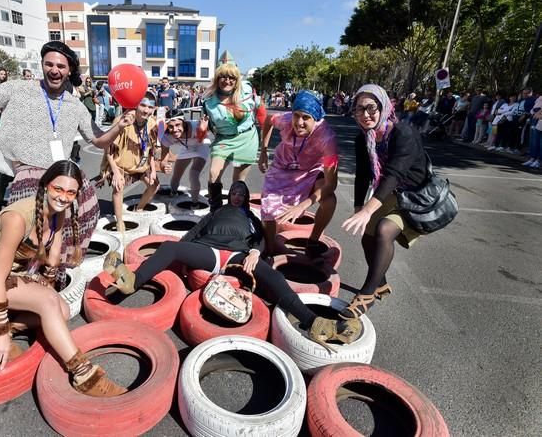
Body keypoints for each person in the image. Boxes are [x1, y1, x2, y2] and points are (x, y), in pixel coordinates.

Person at [0, 25, 132, 288]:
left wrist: (119, 126)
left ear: (69, 71)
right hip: (28, 172)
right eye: (49, 64)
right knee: (31, 231)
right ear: (42, 65)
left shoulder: (74, 104)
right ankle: (17, 283)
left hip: (62, 176)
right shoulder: (18, 89)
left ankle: (55, 272)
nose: (55, 70)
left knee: (86, 211)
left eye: (61, 66)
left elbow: (99, 140)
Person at [103, 181, 361, 345]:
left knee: (273, 277)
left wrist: (255, 253)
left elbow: (262, 241)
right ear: (230, 197)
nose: (237, 195)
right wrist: (183, 254)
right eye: (234, 192)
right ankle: (133, 282)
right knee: (170, 247)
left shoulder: (253, 218)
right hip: (208, 251)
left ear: (247, 198)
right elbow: (191, 235)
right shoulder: (216, 213)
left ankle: (314, 322)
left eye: (242, 193)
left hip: (240, 256)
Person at [0, 161, 126, 397]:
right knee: (48, 304)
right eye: (58, 189)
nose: (63, 197)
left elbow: (53, 258)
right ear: (45, 186)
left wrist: (45, 291)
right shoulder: (17, 218)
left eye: (70, 192)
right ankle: (83, 373)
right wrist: (0, 336)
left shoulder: (59, 213)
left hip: (13, 275)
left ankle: (9, 327)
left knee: (63, 311)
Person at [340, 84, 429, 320]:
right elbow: (363, 174)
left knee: (383, 229)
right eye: (358, 110)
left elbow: (394, 175)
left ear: (383, 106)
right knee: (367, 236)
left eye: (371, 108)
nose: (365, 115)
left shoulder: (404, 133)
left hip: (415, 196)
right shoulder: (364, 138)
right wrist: (359, 208)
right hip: (390, 192)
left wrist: (369, 210)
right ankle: (380, 281)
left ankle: (367, 295)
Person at [258, 90, 338, 258]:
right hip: (282, 167)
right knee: (268, 210)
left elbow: (331, 184)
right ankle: (270, 250)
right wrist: (263, 150)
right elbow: (267, 120)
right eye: (297, 115)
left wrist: (303, 205)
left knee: (329, 200)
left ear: (315, 118)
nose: (299, 122)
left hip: (310, 171)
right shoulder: (287, 120)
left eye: (306, 118)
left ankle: (313, 241)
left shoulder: (327, 139)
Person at [200, 53, 262, 211]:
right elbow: (205, 127)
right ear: (217, 78)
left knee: (238, 182)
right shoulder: (208, 100)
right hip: (224, 139)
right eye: (223, 77)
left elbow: (262, 112)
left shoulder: (247, 91)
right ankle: (216, 209)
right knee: (214, 174)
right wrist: (202, 130)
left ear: (236, 80)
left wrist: (265, 145)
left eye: (231, 78)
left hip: (247, 138)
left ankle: (237, 212)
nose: (227, 81)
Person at [97, 91, 159, 235]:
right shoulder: (122, 120)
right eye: (142, 105)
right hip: (121, 165)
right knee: (118, 188)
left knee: (154, 185)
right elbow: (109, 149)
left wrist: (153, 169)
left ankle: (139, 208)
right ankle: (119, 222)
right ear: (136, 105)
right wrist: (116, 172)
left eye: (150, 107)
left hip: (141, 164)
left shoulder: (152, 123)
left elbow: (151, 148)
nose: (146, 110)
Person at [159, 109, 211, 204]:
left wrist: (203, 129)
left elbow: (205, 136)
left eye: (178, 125)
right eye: (171, 126)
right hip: (186, 147)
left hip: (201, 145)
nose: (175, 129)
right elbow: (164, 159)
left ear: (184, 122)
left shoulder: (196, 126)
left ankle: (195, 204)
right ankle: (173, 194)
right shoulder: (167, 137)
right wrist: (164, 166)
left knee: (193, 174)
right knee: (176, 175)